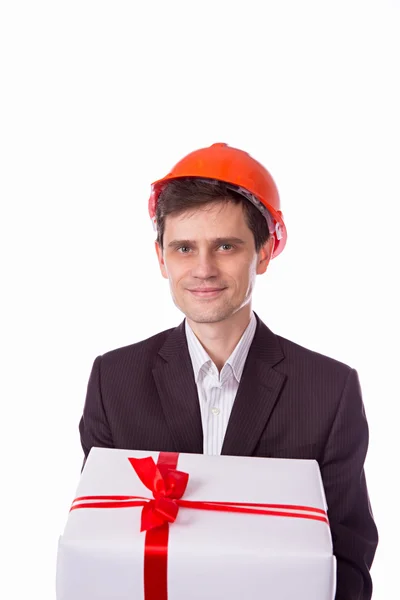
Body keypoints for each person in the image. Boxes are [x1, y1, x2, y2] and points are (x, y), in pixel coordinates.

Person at [79, 142, 378, 599]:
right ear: (161, 258)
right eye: (184, 247)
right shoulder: (113, 382)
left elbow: (349, 565)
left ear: (263, 253)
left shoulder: (328, 391)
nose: (203, 268)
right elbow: (97, 544)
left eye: (225, 246)